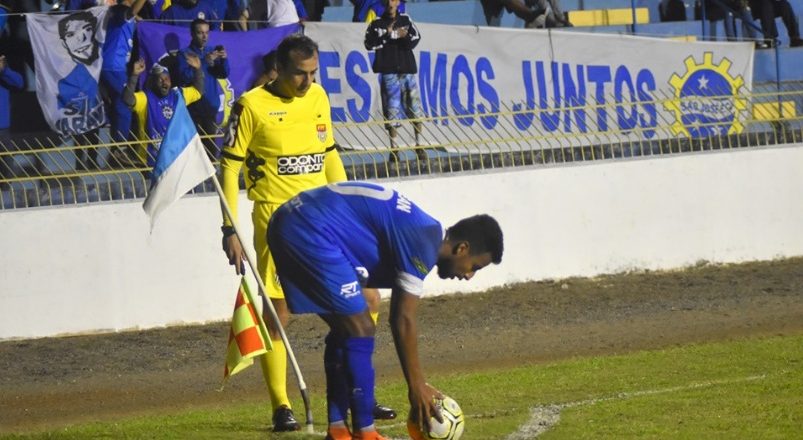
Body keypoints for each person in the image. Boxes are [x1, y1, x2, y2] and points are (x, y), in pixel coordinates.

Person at [220, 34, 396, 432]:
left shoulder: (317, 98)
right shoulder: (251, 106)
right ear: (278, 69)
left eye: (313, 72)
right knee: (279, 313)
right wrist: (229, 227)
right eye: (300, 74)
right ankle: (282, 405)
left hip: (327, 219)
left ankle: (358, 391)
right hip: (277, 221)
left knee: (367, 295)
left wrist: (354, 208)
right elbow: (229, 168)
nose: (308, 81)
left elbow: (328, 153)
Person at [266, 181, 504, 440]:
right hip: (307, 229)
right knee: (360, 327)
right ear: (462, 249)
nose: (469, 276)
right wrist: (416, 387)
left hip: (294, 221)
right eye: (474, 267)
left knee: (348, 326)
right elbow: (402, 319)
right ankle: (365, 433)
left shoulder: (425, 231)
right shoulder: (422, 243)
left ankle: (337, 429)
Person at [364, 0, 426, 161]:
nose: (391, 3)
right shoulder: (376, 23)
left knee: (415, 107)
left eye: (393, 0)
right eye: (388, 1)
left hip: (407, 71)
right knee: (392, 110)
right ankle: (394, 148)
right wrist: (386, 34)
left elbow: (416, 39)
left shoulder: (405, 19)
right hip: (388, 72)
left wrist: (405, 36)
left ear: (398, 3)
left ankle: (419, 144)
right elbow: (368, 44)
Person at [122, 55, 204, 166]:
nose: (164, 82)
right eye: (160, 80)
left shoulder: (178, 95)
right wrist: (134, 76)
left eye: (166, 79)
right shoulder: (145, 98)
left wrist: (198, 70)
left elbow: (198, 91)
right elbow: (128, 99)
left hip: (174, 159)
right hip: (149, 161)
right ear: (153, 82)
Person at [178, 18, 229, 160]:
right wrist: (205, 63)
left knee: (211, 152)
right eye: (200, 33)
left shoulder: (212, 50)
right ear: (192, 34)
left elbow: (224, 73)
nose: (204, 36)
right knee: (192, 151)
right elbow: (184, 78)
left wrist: (224, 59)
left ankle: (212, 181)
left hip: (209, 107)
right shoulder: (184, 54)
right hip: (193, 108)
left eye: (206, 32)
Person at [100, 0, 147, 145]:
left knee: (118, 103)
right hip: (114, 66)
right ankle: (121, 147)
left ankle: (116, 147)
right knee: (126, 102)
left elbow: (136, 17)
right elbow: (132, 12)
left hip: (112, 67)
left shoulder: (118, 13)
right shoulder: (122, 12)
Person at [0, 54, 24, 187]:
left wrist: (4, 70)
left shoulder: (4, 74)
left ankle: (6, 199)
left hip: (2, 130)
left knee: (6, 169)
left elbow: (19, 83)